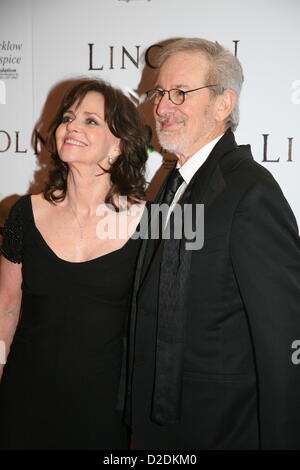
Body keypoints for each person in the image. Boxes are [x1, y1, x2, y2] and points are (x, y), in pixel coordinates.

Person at [120, 38, 300, 449]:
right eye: (159, 93)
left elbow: (283, 339)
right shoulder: (167, 182)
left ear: (223, 105)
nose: (161, 108)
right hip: (158, 424)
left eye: (180, 93)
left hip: (221, 429)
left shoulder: (251, 191)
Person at [0, 78, 149, 449]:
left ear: (119, 145)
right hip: (22, 400)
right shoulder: (25, 212)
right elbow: (5, 309)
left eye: (91, 120)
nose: (72, 127)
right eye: (68, 118)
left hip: (103, 409)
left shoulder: (148, 223)